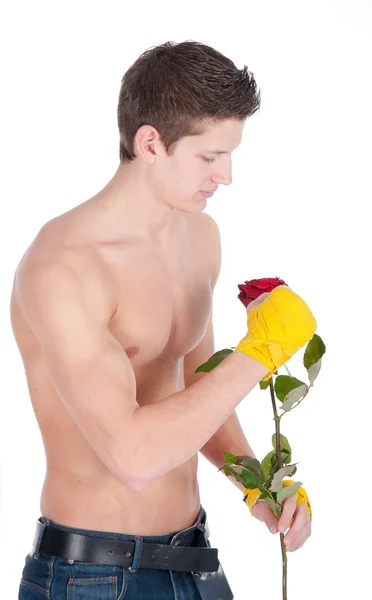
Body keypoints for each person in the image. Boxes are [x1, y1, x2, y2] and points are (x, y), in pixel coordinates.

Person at [10, 41, 315, 599]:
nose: (226, 176)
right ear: (150, 143)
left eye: (230, 154)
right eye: (208, 157)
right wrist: (263, 351)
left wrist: (258, 484)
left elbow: (200, 388)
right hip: (92, 577)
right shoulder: (65, 267)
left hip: (195, 561)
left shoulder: (199, 237)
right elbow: (133, 456)